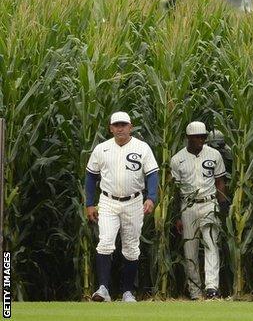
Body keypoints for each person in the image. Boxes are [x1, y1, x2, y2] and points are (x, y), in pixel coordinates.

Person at [86, 111, 159, 302]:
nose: (120, 128)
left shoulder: (142, 148)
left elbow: (152, 174)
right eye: (116, 125)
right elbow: (91, 176)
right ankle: (103, 289)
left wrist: (151, 197)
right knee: (105, 243)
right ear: (110, 128)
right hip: (108, 201)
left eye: (123, 125)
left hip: (134, 202)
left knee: (131, 247)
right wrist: (89, 203)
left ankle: (128, 292)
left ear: (130, 127)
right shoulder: (102, 149)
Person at [171, 121, 228, 300]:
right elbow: (174, 189)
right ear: (188, 137)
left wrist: (223, 206)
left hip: (209, 203)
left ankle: (212, 288)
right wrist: (176, 216)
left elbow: (220, 182)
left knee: (211, 244)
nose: (201, 140)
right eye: (197, 137)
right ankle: (195, 291)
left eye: (203, 137)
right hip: (187, 206)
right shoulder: (177, 159)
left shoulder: (214, 155)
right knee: (190, 250)